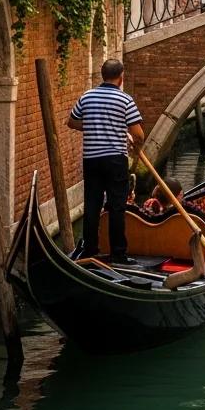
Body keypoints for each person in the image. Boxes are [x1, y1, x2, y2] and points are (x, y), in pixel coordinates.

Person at [67, 58, 144, 265]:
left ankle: (90, 250)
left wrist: (93, 126)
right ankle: (118, 254)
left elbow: (72, 122)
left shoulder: (87, 96)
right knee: (117, 206)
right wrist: (133, 144)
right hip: (115, 159)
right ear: (121, 77)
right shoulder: (125, 100)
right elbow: (138, 135)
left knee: (92, 204)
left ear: (102, 75)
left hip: (91, 159)